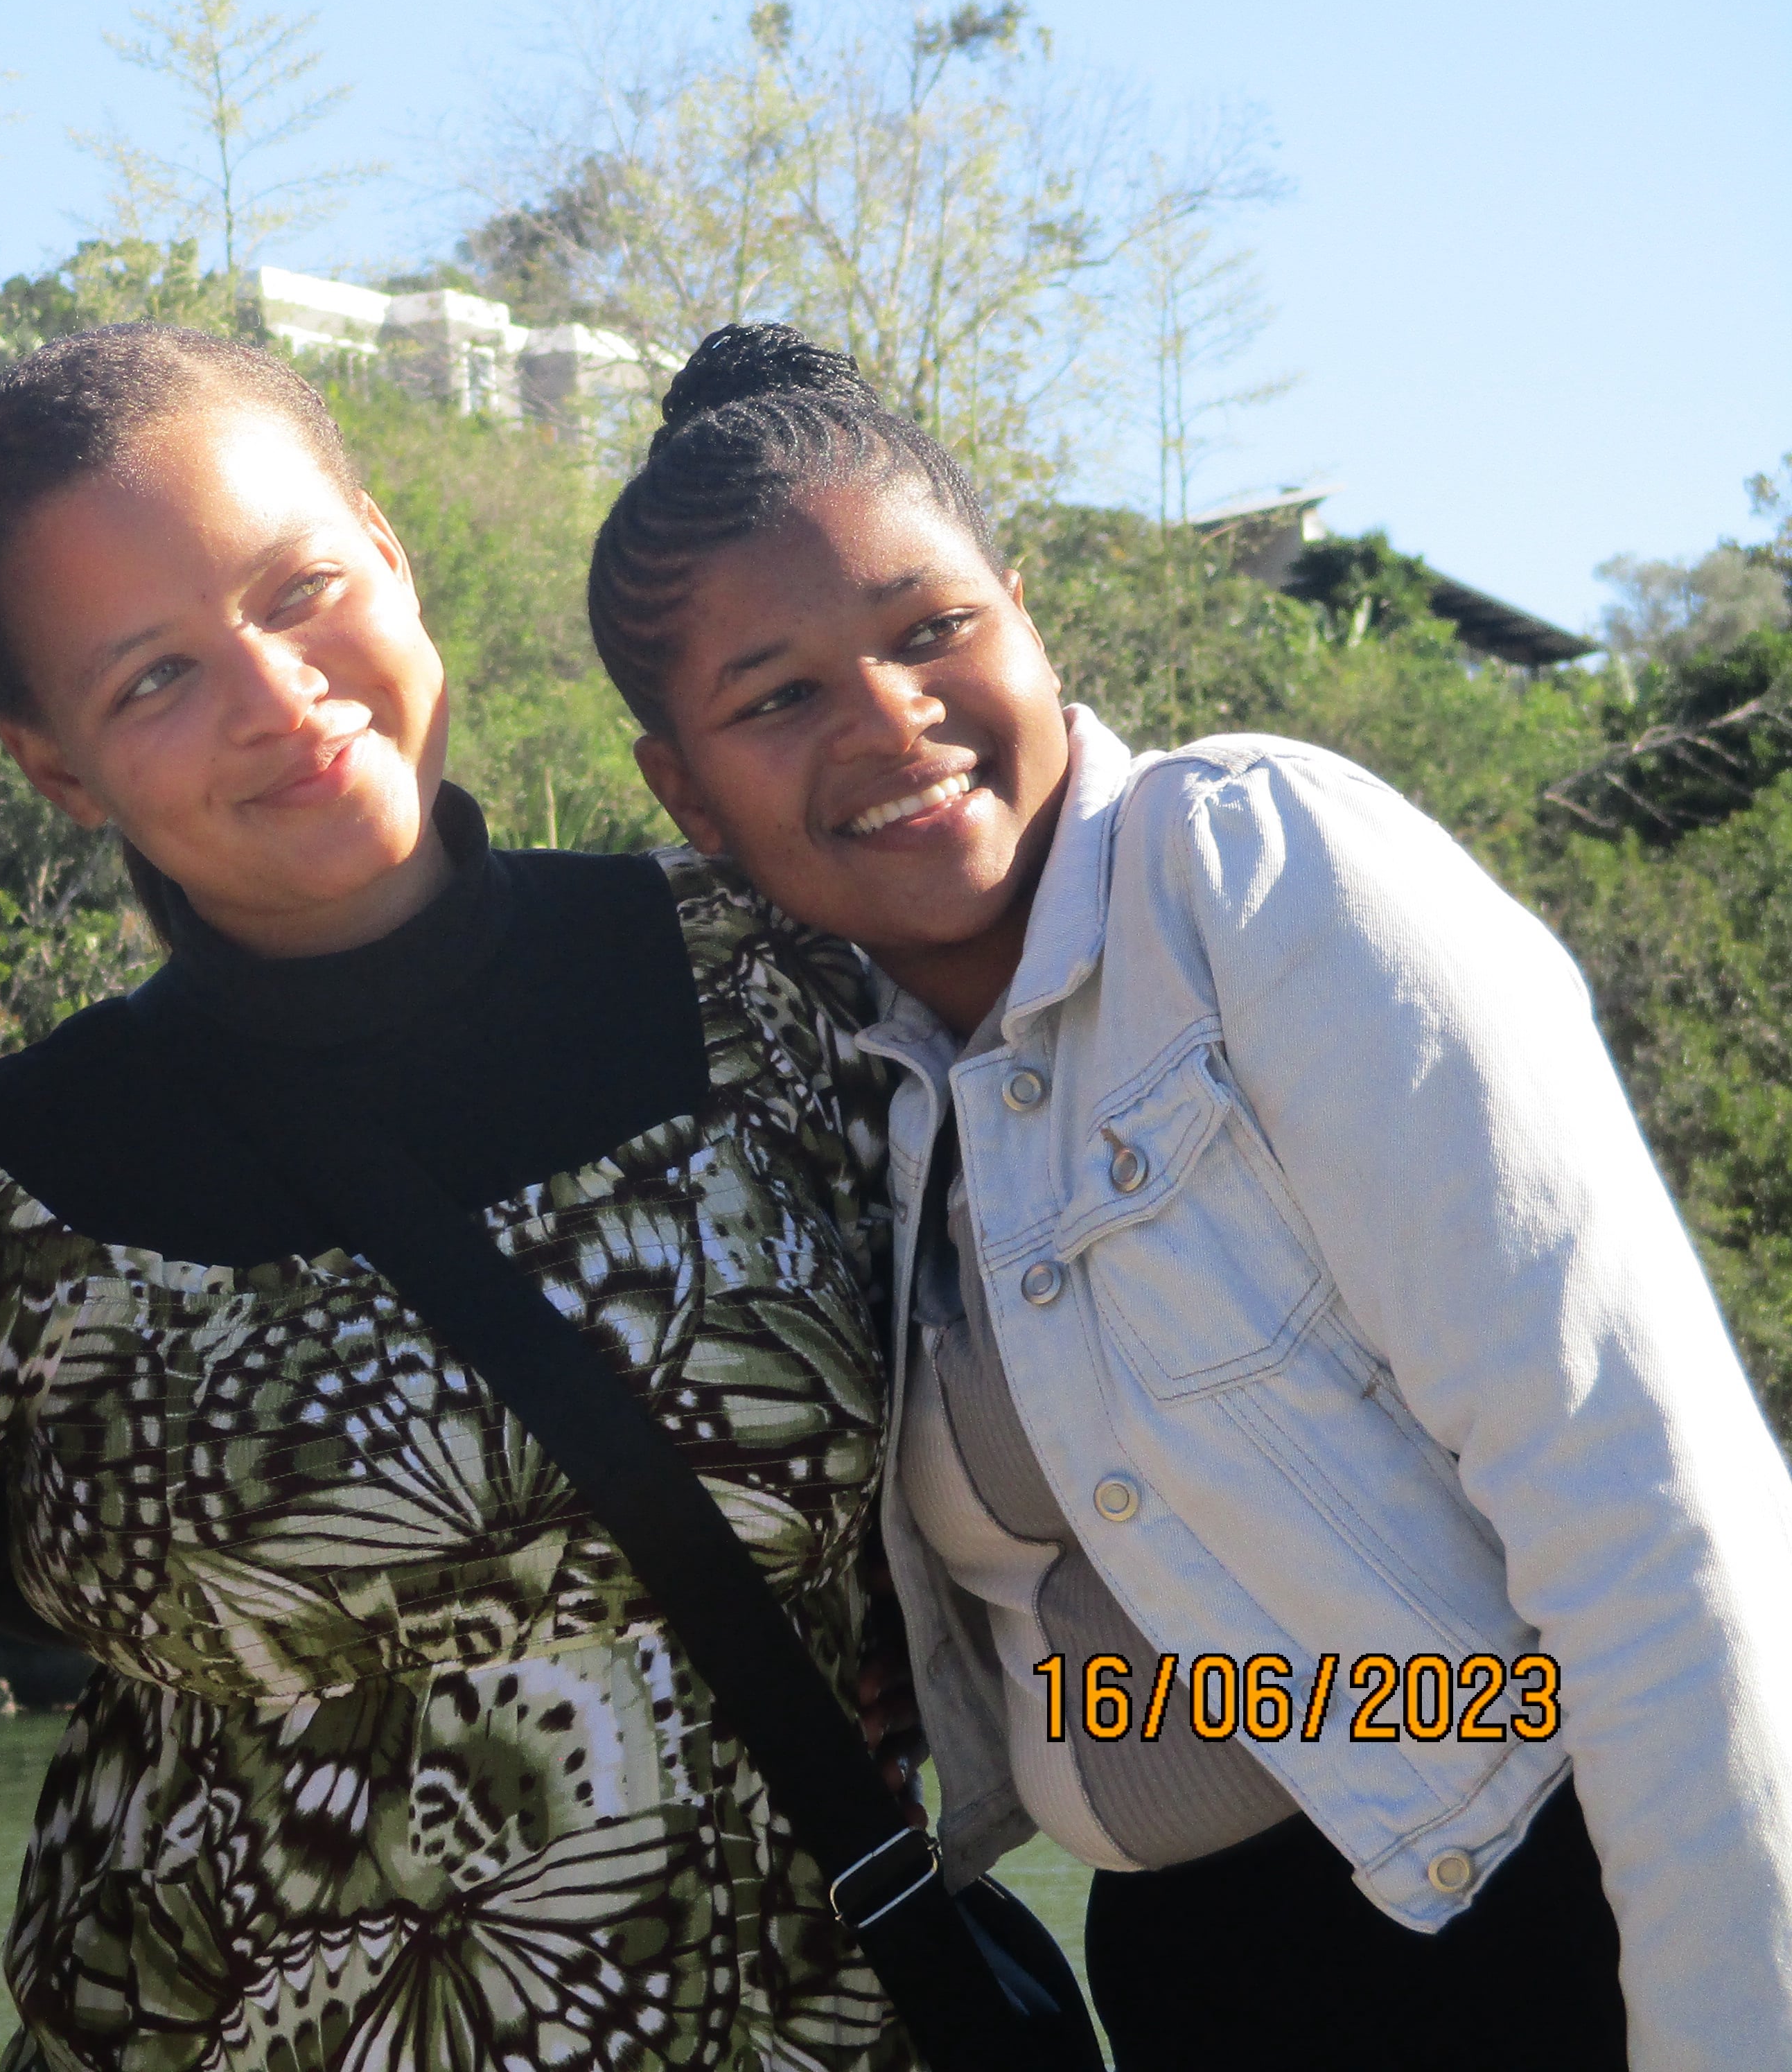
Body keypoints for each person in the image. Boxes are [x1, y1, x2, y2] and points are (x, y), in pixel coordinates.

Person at [592, 322, 1792, 2072]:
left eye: (930, 631)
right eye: (775, 698)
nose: (890, 719)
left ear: (1023, 616)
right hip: (1190, 1982)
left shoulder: (1249, 871)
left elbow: (1643, 1503)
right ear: (684, 793)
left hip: (1533, 1925)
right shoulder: (836, 1082)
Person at [0, 323, 909, 2071]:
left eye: (299, 590)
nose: (274, 695)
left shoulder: (773, 969)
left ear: (386, 551)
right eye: (150, 678)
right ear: (53, 765)